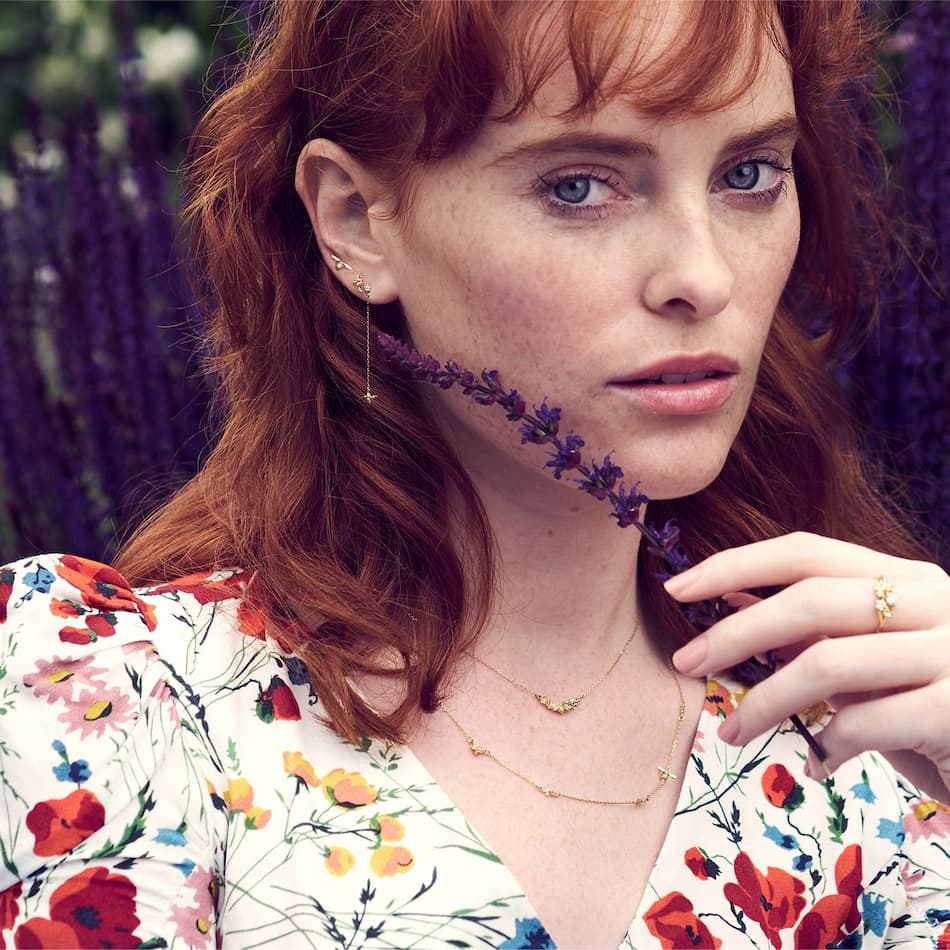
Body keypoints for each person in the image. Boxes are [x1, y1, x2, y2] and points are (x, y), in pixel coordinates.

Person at [1, 1, 948, 947]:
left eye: (749, 174)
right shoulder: (124, 718)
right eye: (581, 186)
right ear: (355, 220)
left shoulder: (874, 751)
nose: (703, 278)